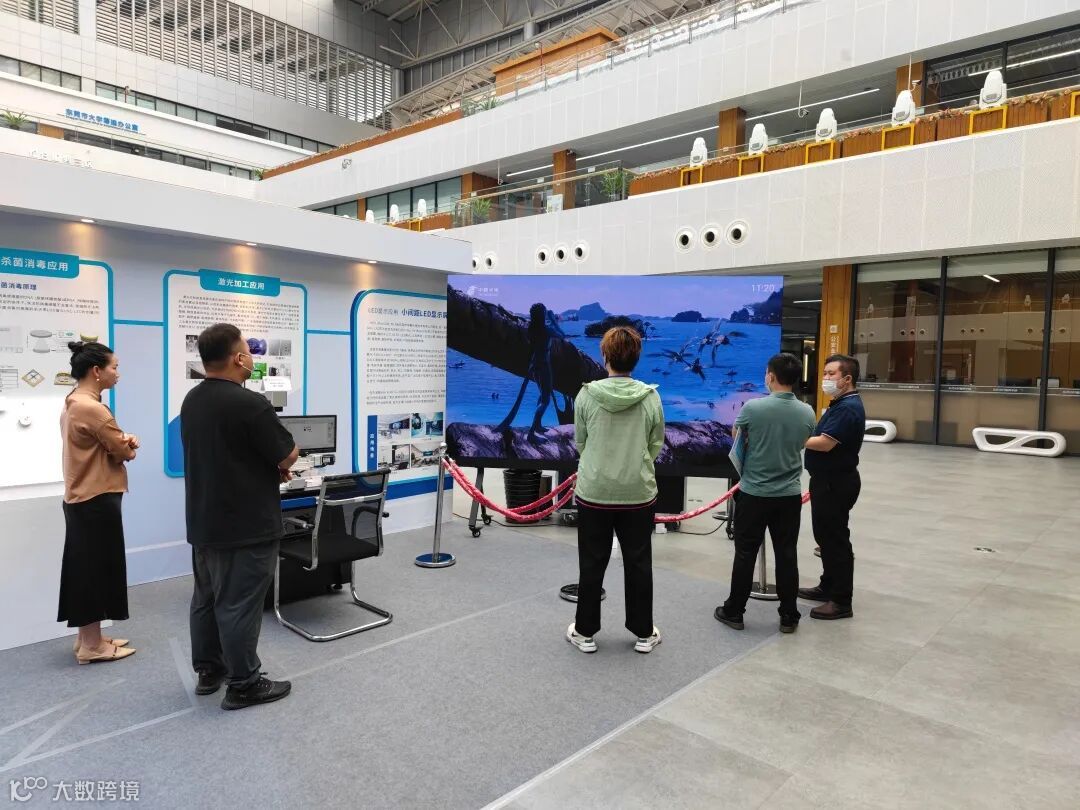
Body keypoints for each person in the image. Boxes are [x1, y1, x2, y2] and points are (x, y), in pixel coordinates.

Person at [181, 323, 299, 710]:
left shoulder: (192, 400)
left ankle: (209, 671)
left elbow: (227, 454)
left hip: (204, 520)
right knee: (238, 605)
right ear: (237, 358)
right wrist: (279, 464)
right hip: (245, 524)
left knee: (206, 599)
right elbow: (287, 454)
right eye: (248, 351)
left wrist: (264, 467)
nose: (252, 357)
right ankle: (244, 684)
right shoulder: (250, 404)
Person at [566, 326, 664, 654]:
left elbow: (581, 441)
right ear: (636, 357)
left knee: (591, 562)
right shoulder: (651, 397)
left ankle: (585, 632)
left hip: (594, 490)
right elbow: (655, 443)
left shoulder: (586, 395)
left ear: (604, 356)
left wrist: (599, 464)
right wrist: (635, 463)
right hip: (638, 492)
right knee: (639, 563)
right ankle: (643, 632)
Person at [715, 353, 816, 634]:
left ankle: (734, 611)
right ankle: (789, 615)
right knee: (787, 554)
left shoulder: (753, 408)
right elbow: (803, 441)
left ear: (770, 376)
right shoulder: (807, 412)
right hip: (789, 495)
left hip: (754, 493)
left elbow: (736, 435)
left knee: (745, 553)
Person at [58, 341, 138, 665]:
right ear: (96, 371)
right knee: (94, 573)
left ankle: (88, 639)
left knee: (86, 570)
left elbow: (103, 444)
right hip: (96, 499)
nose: (117, 373)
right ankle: (92, 646)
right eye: (114, 367)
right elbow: (123, 451)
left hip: (82, 498)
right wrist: (129, 443)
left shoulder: (73, 401)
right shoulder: (92, 408)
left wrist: (119, 443)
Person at [799, 354, 866, 620]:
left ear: (847, 379)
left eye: (831, 374)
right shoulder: (839, 404)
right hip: (826, 480)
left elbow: (826, 443)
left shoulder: (848, 408)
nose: (825, 378)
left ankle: (841, 601)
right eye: (825, 373)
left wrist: (793, 437)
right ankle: (827, 585)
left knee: (835, 539)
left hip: (835, 482)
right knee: (825, 536)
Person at [497, 303, 566, 440]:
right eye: (545, 312)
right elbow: (562, 335)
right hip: (544, 365)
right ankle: (532, 433)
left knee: (542, 394)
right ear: (542, 315)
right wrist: (553, 320)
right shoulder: (546, 330)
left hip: (534, 365)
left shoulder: (531, 328)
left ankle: (538, 424)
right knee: (545, 400)